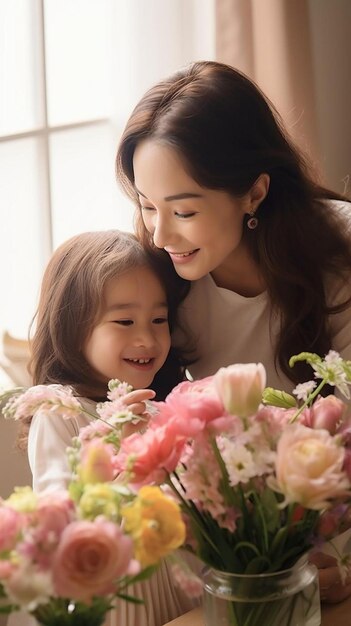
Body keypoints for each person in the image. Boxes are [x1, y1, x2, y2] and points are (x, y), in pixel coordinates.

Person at [116, 60, 351, 604]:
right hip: (247, 550)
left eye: (184, 210)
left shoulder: (338, 254)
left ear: (254, 193)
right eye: (147, 206)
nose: (159, 233)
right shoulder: (163, 282)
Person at [11, 229, 198, 626]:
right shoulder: (59, 412)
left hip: (174, 590)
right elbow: (59, 521)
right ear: (73, 329)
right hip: (112, 597)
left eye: (159, 319)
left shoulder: (164, 405)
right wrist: (120, 456)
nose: (147, 337)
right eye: (125, 321)